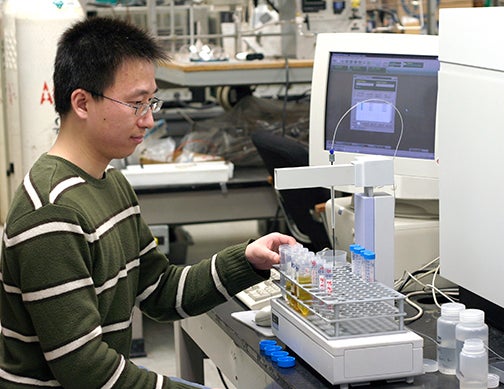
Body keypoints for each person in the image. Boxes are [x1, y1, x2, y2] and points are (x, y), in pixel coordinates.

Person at [0, 16, 295, 388]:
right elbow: (86, 371)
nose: (149, 119)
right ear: (82, 102)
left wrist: (246, 259)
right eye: (137, 103)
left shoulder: (112, 184)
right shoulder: (51, 214)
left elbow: (159, 291)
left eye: (151, 102)